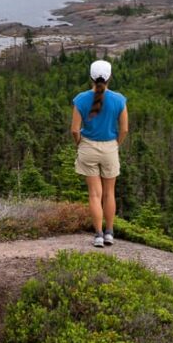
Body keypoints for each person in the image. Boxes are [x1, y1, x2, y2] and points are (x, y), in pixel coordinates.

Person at [71, 59, 128, 248]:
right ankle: (110, 233)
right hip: (110, 148)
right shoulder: (119, 99)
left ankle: (98, 235)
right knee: (109, 193)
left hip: (88, 148)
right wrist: (116, 144)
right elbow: (124, 129)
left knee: (95, 195)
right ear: (110, 77)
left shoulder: (80, 99)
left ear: (91, 78)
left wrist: (80, 144)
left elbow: (74, 130)